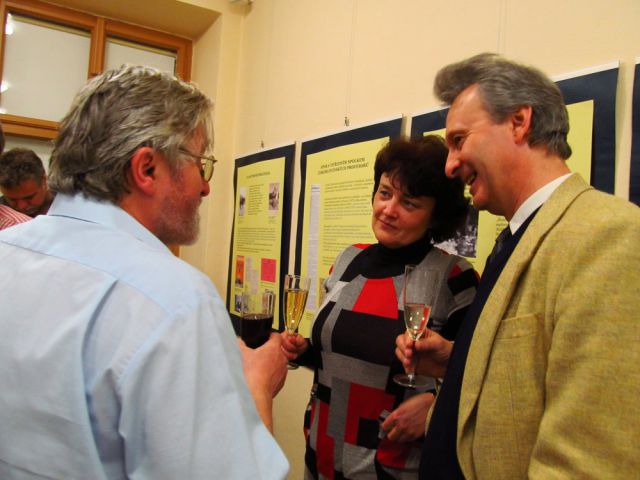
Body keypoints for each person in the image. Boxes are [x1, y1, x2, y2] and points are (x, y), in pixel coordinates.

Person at [0, 65, 289, 479]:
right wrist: (257, 384)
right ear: (147, 169)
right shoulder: (176, 301)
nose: (205, 186)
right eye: (200, 163)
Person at [396, 53, 640, 479]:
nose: (450, 165)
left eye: (459, 140)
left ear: (519, 122)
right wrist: (456, 362)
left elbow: (587, 461)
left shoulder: (610, 235)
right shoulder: (516, 237)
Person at [282, 135, 479, 479]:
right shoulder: (348, 259)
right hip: (321, 457)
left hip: (394, 467)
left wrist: (435, 405)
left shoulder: (454, 277)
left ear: (435, 216)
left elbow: (479, 377)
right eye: (385, 193)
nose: (388, 209)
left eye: (409, 203)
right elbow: (342, 354)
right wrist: (305, 351)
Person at [0, 147, 54, 217]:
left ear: (44, 180)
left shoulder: (66, 207)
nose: (21, 206)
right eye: (12, 199)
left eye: (29, 197)